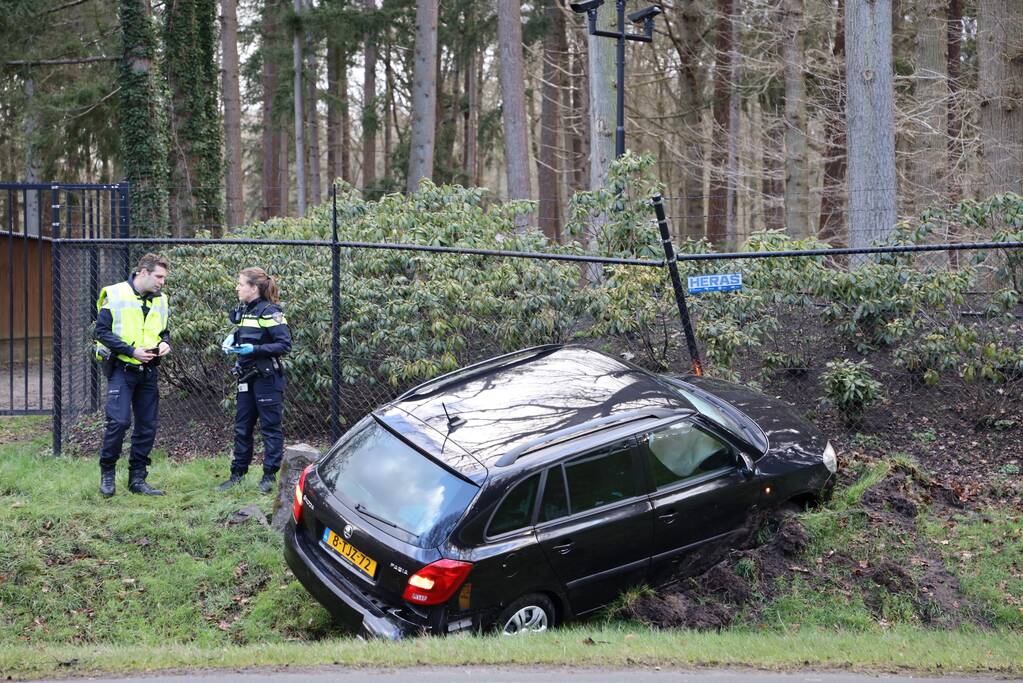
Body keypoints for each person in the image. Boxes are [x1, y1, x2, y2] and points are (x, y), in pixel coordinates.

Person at [94, 253, 171, 497]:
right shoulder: (116, 294)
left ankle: (137, 479)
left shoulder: (161, 300)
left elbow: (164, 331)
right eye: (159, 277)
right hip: (122, 369)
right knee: (119, 422)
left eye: (164, 278)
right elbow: (101, 332)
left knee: (147, 426)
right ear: (143, 272)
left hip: (148, 371)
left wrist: (165, 343)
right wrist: (131, 351)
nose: (162, 282)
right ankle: (107, 474)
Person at [218, 267, 292, 493]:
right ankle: (237, 475)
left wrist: (255, 349)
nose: (237, 288)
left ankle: (269, 477)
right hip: (246, 376)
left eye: (241, 284)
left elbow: (284, 344)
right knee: (242, 427)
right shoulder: (245, 310)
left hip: (267, 379)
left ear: (253, 288)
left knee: (270, 428)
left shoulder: (270, 312)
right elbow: (248, 333)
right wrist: (234, 338)